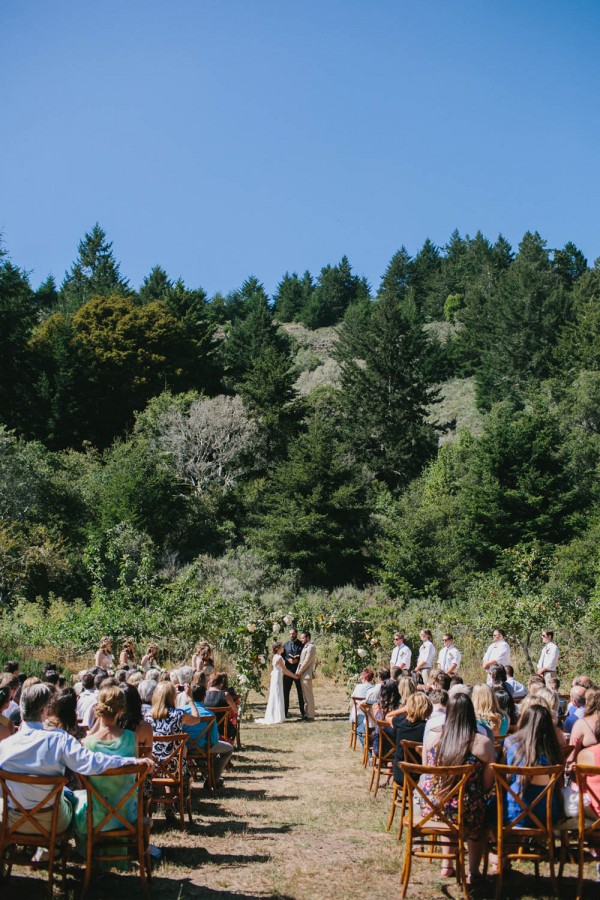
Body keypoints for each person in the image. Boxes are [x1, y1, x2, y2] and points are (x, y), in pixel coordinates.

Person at [0, 684, 153, 836]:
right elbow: (91, 762)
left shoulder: (5, 746)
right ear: (44, 710)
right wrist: (130, 761)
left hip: (12, 820)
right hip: (52, 822)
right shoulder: (59, 739)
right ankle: (48, 851)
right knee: (72, 798)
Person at [421, 693, 494, 883]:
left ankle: (446, 865)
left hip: (433, 808)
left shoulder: (432, 738)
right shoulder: (483, 744)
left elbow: (427, 775)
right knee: (479, 813)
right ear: (471, 714)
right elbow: (486, 785)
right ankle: (473, 871)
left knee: (449, 803)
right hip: (468, 809)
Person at [501, 703, 562, 827]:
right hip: (548, 814)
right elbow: (560, 785)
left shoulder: (509, 743)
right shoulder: (552, 749)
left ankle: (503, 844)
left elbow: (502, 779)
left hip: (513, 812)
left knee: (490, 811)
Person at [182, 682, 234, 789]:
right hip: (204, 747)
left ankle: (208, 777)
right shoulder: (209, 714)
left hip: (184, 748)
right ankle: (213, 779)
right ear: (205, 696)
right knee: (228, 748)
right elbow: (214, 740)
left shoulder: (181, 711)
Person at [388, 692, 432, 786]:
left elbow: (388, 716)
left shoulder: (400, 721)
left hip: (399, 772)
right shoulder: (428, 727)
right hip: (419, 774)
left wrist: (404, 709)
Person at [256, 643, 299, 725]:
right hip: (277, 676)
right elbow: (285, 670)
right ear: (278, 648)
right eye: (282, 647)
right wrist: (295, 676)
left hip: (276, 676)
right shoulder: (278, 657)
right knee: (277, 694)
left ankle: (276, 715)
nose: (283, 648)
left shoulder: (276, 656)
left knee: (277, 694)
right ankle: (276, 716)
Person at [282, 628, 304, 718]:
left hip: (298, 671)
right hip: (288, 671)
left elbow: (304, 656)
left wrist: (297, 660)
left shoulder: (301, 645)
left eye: (293, 634)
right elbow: (283, 656)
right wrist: (288, 660)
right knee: (286, 692)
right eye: (290, 634)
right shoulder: (286, 645)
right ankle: (285, 712)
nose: (291, 635)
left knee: (300, 692)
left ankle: (303, 712)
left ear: (296, 634)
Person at [296, 631, 318, 721]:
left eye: (303, 638)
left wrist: (299, 672)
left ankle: (310, 715)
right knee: (305, 696)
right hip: (303, 674)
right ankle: (306, 714)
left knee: (308, 696)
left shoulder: (311, 647)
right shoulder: (306, 646)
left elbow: (306, 661)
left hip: (306, 674)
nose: (301, 640)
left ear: (308, 638)